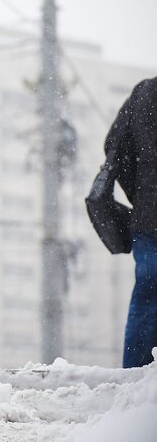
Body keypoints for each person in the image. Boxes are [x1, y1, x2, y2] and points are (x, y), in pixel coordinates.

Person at [88, 78, 157, 368]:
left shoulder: (146, 93)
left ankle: (136, 378)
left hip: (150, 221)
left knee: (148, 297)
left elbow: (116, 148)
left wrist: (142, 195)